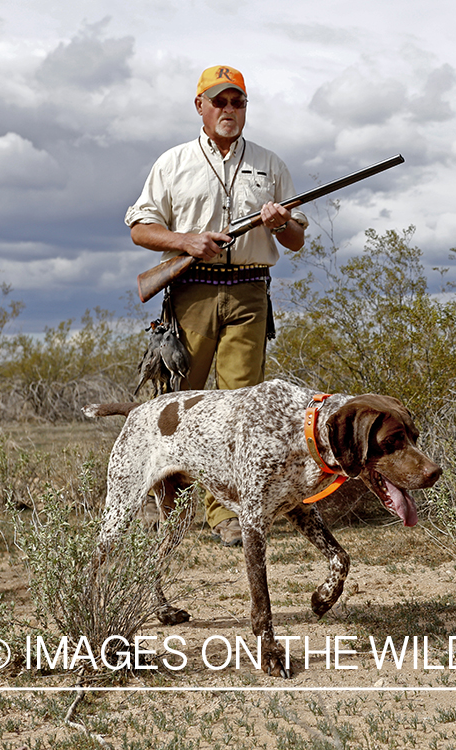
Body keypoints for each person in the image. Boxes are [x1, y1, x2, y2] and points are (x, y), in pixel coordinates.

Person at [125, 65, 308, 546]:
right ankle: (164, 503)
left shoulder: (271, 164)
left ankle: (225, 515)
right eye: (220, 102)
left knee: (241, 405)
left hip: (251, 292)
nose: (229, 111)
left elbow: (296, 240)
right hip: (192, 292)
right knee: (176, 404)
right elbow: (140, 228)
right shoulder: (173, 162)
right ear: (200, 106)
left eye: (238, 102)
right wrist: (185, 242)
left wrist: (277, 222)